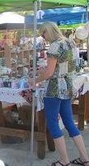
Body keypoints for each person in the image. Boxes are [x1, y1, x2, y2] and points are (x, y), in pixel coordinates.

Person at [29, 21, 89, 166]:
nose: (43, 37)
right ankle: (85, 159)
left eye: (43, 33)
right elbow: (69, 66)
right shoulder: (69, 43)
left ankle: (64, 160)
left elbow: (49, 72)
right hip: (68, 87)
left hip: (55, 89)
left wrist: (35, 80)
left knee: (53, 124)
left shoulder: (55, 45)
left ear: (48, 31)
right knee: (69, 123)